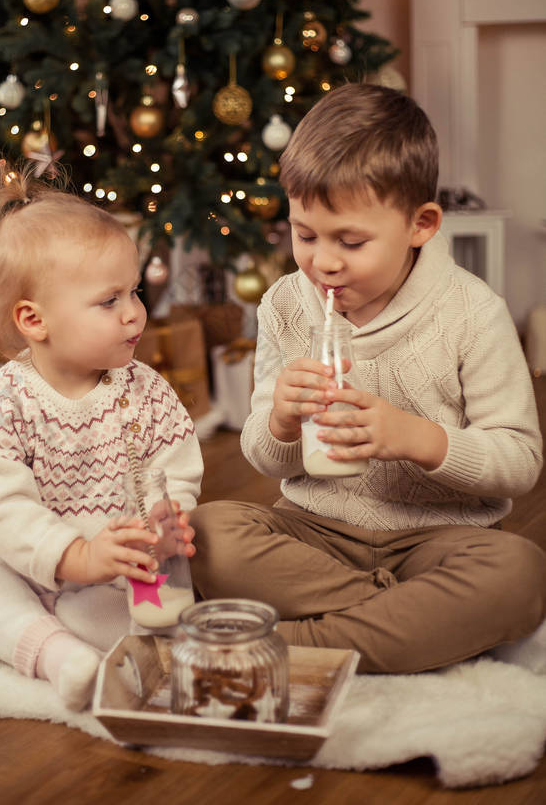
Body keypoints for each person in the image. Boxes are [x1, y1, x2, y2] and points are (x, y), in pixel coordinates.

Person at [191, 82, 546, 674]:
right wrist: (279, 419)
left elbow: (520, 461)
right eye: (305, 235)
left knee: (520, 574)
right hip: (315, 534)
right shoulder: (285, 305)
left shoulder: (470, 312)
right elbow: (267, 459)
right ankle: (397, 625)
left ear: (421, 225)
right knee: (206, 532)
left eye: (350, 241)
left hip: (438, 539)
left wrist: (417, 439)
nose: (323, 261)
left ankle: (294, 645)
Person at [0, 161, 203, 710]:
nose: (134, 314)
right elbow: (3, 511)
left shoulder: (144, 390)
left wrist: (161, 528)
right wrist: (73, 555)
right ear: (34, 320)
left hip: (112, 579)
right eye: (109, 300)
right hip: (30, 560)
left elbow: (176, 469)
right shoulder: (2, 403)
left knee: (151, 621)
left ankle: (7, 632)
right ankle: (55, 656)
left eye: (134, 292)